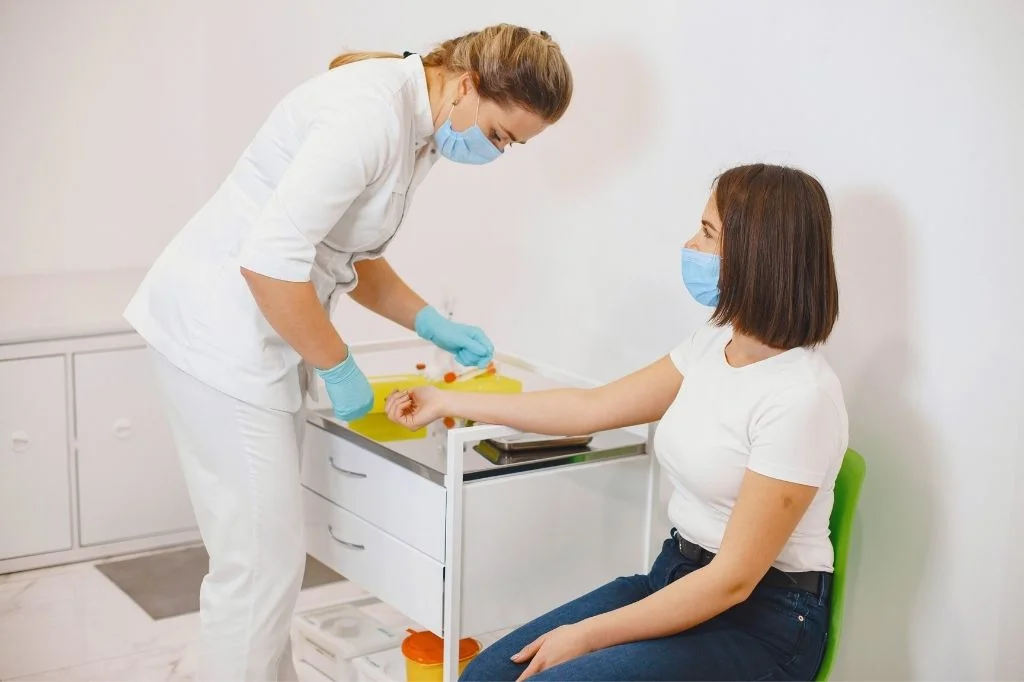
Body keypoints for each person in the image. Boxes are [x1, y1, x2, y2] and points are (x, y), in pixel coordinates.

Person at [123, 24, 572, 682]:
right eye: (501, 134)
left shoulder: (416, 125)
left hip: (251, 337)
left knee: (268, 566)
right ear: (469, 85)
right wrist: (338, 365)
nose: (497, 151)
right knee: (256, 571)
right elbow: (272, 264)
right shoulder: (369, 117)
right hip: (221, 339)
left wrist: (431, 324)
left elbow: (347, 254)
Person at [386, 163, 848, 681]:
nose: (690, 243)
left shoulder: (801, 397)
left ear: (756, 254)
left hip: (761, 625)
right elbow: (591, 408)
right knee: (489, 675)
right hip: (676, 578)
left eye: (708, 232)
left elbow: (732, 582)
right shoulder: (713, 346)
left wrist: (584, 636)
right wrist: (447, 401)